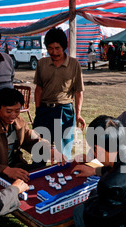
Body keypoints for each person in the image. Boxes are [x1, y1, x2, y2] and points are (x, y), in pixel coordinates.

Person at [0, 87, 66, 184]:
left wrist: (51, 150)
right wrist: (6, 170)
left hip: (16, 167)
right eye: (8, 111)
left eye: (17, 111)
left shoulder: (19, 121)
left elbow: (33, 139)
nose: (13, 115)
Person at [33, 27, 85, 160]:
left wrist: (78, 114)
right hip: (44, 110)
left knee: (63, 153)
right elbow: (38, 89)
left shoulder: (74, 65)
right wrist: (38, 111)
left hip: (65, 111)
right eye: (50, 48)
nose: (54, 52)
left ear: (64, 47)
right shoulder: (42, 64)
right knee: (40, 152)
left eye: (57, 48)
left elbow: (78, 91)